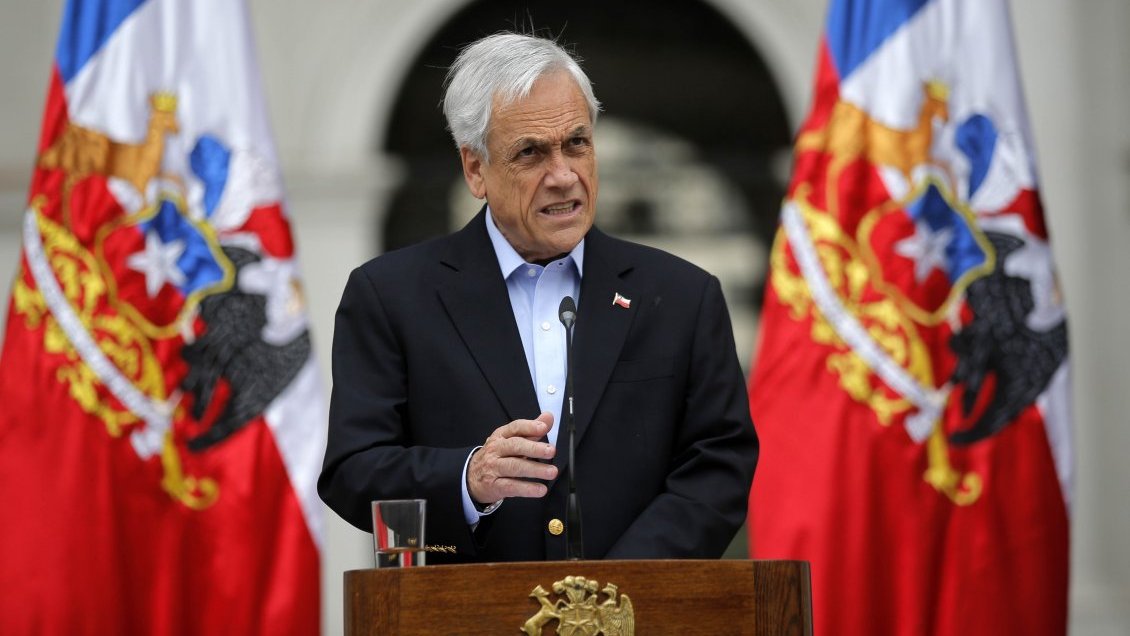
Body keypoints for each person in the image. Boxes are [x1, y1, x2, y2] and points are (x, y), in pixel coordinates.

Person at [319, 32, 758, 563]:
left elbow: (718, 465)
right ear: (475, 169)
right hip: (466, 604)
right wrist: (468, 478)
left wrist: (615, 590)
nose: (563, 175)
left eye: (577, 143)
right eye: (530, 153)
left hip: (636, 605)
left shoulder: (682, 296)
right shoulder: (390, 296)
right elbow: (354, 471)